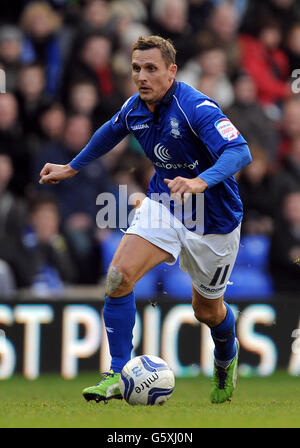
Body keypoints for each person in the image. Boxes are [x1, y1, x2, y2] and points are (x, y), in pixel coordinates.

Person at [39, 36, 252, 404]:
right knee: (118, 276)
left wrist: (201, 181)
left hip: (214, 221)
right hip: (166, 205)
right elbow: (111, 131)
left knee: (207, 311)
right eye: (137, 68)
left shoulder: (196, 107)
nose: (142, 76)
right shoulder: (135, 107)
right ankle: (118, 372)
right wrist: (72, 167)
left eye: (151, 68)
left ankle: (225, 357)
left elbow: (240, 150)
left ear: (171, 72)